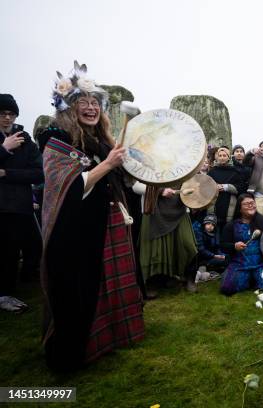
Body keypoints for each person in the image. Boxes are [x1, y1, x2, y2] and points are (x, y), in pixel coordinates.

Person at [37, 62, 144, 370]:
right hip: (75, 235)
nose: (90, 107)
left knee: (109, 284)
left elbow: (123, 179)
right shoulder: (56, 139)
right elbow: (70, 190)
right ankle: (77, 351)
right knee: (81, 291)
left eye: (95, 102)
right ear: (69, 107)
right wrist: (107, 165)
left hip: (108, 225)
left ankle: (114, 337)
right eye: (82, 102)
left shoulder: (103, 141)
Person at [0, 94, 44, 312]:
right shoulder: (6, 141)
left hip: (23, 205)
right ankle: (5, 295)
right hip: (2, 207)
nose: (7, 118)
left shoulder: (25, 139)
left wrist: (6, 173)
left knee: (35, 246)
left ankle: (26, 281)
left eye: (11, 113)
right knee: (6, 252)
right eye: (2, 114)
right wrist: (3, 148)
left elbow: (38, 173)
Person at [136, 182, 198, 292]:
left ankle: (188, 278)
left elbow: (191, 183)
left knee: (188, 245)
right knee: (155, 251)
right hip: (153, 211)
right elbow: (135, 186)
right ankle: (153, 282)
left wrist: (190, 192)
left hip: (179, 209)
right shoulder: (145, 164)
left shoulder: (182, 165)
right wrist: (160, 191)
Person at [220, 193, 263, 295]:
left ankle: (252, 279)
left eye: (252, 203)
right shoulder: (232, 226)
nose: (250, 205)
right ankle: (249, 279)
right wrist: (234, 246)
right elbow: (223, 245)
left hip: (260, 265)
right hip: (240, 265)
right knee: (227, 288)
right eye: (246, 204)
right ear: (239, 208)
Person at [208, 146, 246, 234]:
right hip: (215, 202)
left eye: (224, 155)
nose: (222, 158)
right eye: (220, 155)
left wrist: (226, 187)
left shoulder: (235, 172)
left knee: (227, 230)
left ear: (228, 157)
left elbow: (241, 187)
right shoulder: (212, 172)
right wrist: (214, 187)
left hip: (229, 203)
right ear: (216, 157)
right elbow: (206, 186)